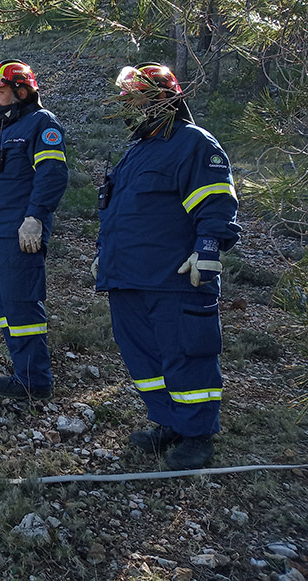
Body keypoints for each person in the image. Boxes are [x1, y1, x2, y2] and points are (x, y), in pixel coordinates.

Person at [94, 63, 240, 470]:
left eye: (135, 100)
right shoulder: (137, 151)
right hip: (127, 277)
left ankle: (197, 435)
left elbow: (216, 201)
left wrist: (208, 247)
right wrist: (103, 254)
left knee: (186, 353)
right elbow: (118, 212)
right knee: (143, 356)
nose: (128, 108)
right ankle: (168, 421)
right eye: (126, 100)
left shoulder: (193, 143)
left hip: (174, 278)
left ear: (163, 99)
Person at [0, 59, 68, 400]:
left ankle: (34, 380)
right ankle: (22, 372)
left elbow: (52, 175)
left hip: (20, 232)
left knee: (22, 305)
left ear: (22, 91)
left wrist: (36, 217)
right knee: (3, 305)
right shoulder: (4, 130)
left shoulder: (42, 123)